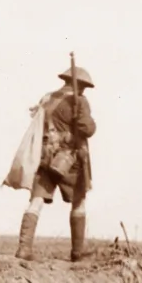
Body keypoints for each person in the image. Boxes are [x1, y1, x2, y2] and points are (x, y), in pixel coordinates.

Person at [14, 66, 96, 262]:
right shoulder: (80, 101)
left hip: (45, 157)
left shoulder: (48, 98)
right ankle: (77, 253)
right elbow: (88, 129)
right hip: (70, 160)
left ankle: (24, 248)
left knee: (36, 201)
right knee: (79, 201)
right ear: (82, 86)